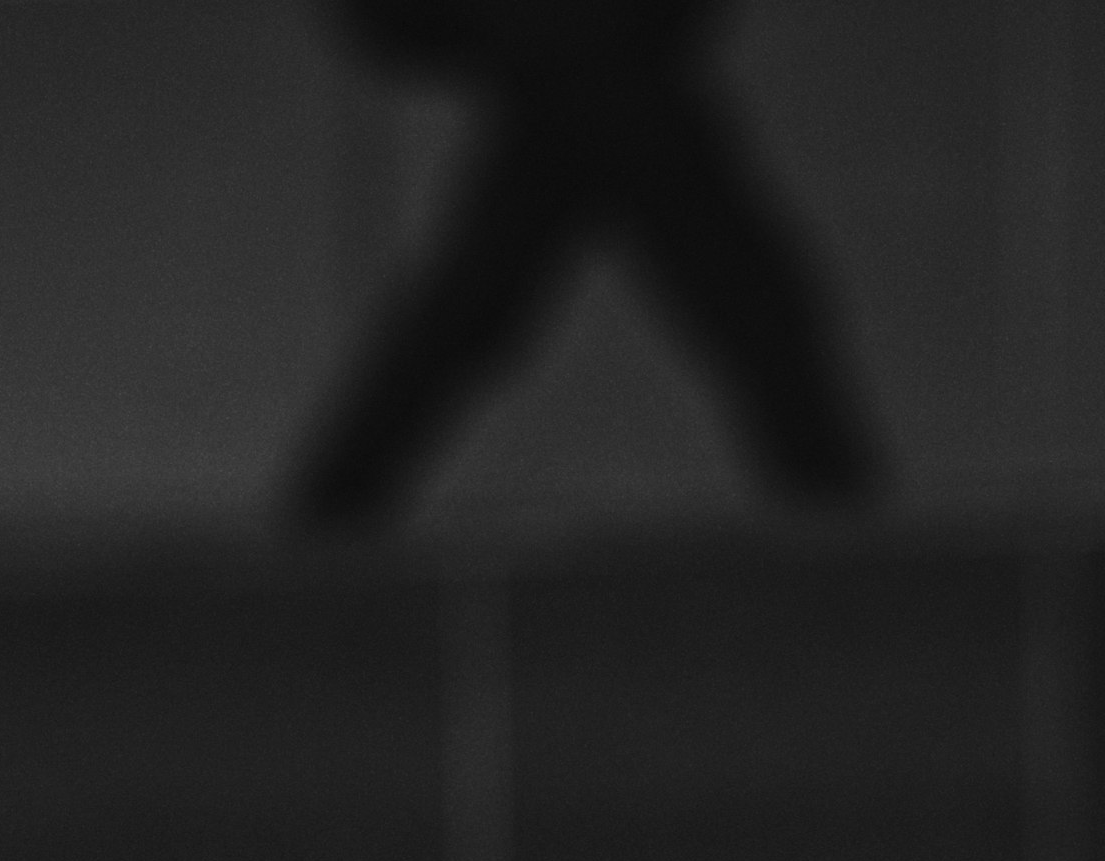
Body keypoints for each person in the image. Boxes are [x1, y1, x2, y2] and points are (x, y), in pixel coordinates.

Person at [288, 0, 883, 529]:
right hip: (588, 58)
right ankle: (832, 493)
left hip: (582, 58)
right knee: (741, 287)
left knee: (475, 299)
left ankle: (332, 504)